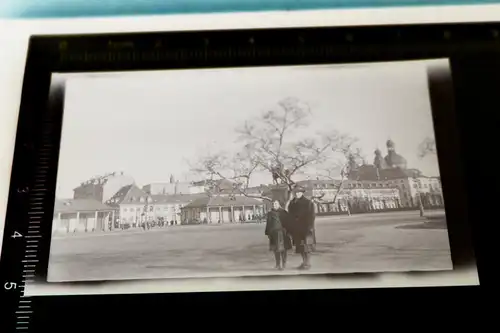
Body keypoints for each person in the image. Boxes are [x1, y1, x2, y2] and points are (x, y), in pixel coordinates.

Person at [288, 186, 316, 270]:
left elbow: (311, 216)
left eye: (298, 192)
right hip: (296, 229)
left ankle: (307, 263)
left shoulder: (308, 202)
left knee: (307, 246)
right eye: (295, 192)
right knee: (300, 247)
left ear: (302, 193)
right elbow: (290, 215)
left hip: (306, 228)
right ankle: (304, 262)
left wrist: (310, 227)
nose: (297, 194)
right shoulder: (292, 203)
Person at [265, 200, 292, 270]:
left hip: (283, 233)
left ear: (279, 204)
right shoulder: (270, 213)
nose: (274, 205)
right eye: (273, 204)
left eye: (276, 203)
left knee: (283, 249)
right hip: (273, 234)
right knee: (276, 250)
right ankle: (277, 264)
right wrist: (268, 233)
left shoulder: (284, 212)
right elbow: (268, 224)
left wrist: (288, 232)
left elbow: (288, 223)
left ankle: (284, 264)